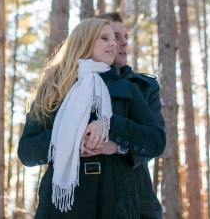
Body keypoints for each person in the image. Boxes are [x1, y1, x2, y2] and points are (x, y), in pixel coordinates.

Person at [18, 18, 166, 218]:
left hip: (116, 204)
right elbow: (26, 152)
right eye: (105, 38)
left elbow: (156, 141)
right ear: (84, 41)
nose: (113, 44)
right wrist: (70, 137)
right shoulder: (53, 89)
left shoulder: (128, 88)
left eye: (114, 39)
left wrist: (108, 125)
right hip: (63, 208)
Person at [95, 12, 163, 219]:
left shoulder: (145, 86)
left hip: (136, 197)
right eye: (115, 37)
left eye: (125, 37)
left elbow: (154, 141)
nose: (123, 42)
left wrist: (119, 147)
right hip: (87, 198)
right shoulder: (72, 85)